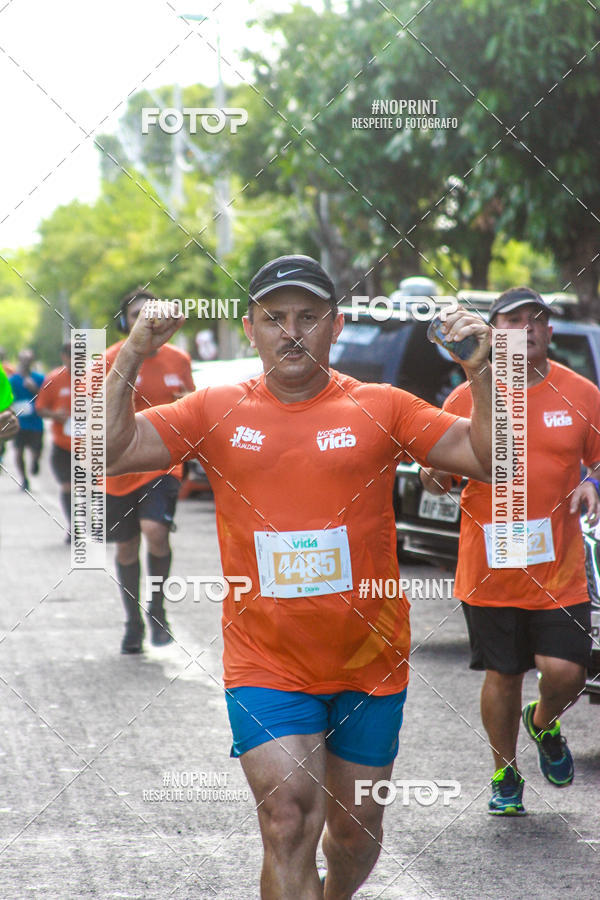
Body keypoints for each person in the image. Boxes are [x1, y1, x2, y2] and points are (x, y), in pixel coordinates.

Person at [105, 255, 493, 898]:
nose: (291, 332)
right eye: (274, 318)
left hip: (369, 662)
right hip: (267, 663)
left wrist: (479, 370)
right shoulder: (213, 409)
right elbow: (110, 450)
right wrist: (131, 356)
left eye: (308, 318)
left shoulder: (383, 407)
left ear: (335, 326)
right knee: (287, 822)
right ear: (252, 329)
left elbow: (486, 456)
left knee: (356, 829)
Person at [421, 286, 600, 817]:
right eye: (512, 320)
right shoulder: (467, 396)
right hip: (490, 567)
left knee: (567, 671)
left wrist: (593, 483)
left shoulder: (583, 393)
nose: (526, 328)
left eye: (535, 319)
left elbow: (599, 461)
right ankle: (504, 770)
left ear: (549, 332)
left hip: (560, 568)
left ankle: (543, 722)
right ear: (493, 332)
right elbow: (439, 476)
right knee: (503, 675)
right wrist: (434, 477)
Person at [104, 288, 195, 654]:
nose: (143, 319)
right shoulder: (111, 360)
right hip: (118, 469)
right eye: (134, 314)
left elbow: (191, 402)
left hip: (163, 463)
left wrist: (184, 404)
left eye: (149, 312)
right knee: (127, 546)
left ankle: (157, 610)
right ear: (126, 320)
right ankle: (133, 622)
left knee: (155, 531)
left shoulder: (179, 360)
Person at [35, 342, 73, 542]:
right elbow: (40, 408)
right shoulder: (53, 379)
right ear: (64, 357)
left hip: (92, 445)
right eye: (72, 356)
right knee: (68, 486)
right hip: (63, 445)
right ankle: (73, 527)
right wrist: (55, 415)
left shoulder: (97, 379)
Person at [9, 349, 44, 491]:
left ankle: (35, 461)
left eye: (28, 360)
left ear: (32, 361)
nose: (26, 363)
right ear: (19, 361)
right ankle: (24, 479)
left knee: (37, 449)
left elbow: (46, 396)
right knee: (18, 451)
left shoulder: (39, 378)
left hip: (36, 421)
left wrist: (34, 388)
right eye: (23, 360)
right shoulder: (13, 380)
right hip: (19, 422)